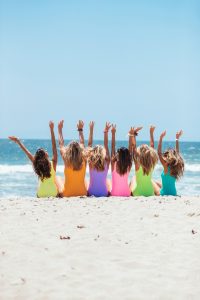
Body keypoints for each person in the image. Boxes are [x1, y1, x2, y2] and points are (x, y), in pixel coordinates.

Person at [9, 121, 63, 197]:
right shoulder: (53, 163)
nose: (47, 151)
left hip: (41, 194)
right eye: (45, 151)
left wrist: (18, 141)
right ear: (46, 155)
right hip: (53, 194)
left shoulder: (36, 164)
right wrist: (51, 130)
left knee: (40, 184)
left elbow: (27, 153)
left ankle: (42, 192)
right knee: (57, 180)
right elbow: (54, 146)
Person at [58, 120, 87, 197]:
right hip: (83, 193)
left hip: (67, 194)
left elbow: (61, 144)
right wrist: (80, 130)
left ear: (69, 150)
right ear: (80, 150)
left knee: (58, 178)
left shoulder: (66, 159)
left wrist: (60, 130)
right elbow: (82, 143)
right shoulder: (83, 158)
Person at [130, 126, 160, 196]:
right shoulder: (152, 163)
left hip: (138, 193)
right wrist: (151, 133)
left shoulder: (137, 164)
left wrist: (133, 134)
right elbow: (152, 145)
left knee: (133, 178)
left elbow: (133, 146)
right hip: (150, 192)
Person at [87, 122, 111, 197]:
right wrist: (106, 132)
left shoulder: (91, 162)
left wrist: (91, 129)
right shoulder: (107, 161)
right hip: (104, 193)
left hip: (91, 192)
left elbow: (89, 145)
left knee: (87, 181)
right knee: (108, 181)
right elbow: (106, 145)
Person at [158, 130, 184, 196]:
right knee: (157, 183)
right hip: (174, 193)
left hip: (164, 194)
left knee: (154, 183)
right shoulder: (176, 166)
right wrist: (177, 139)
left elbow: (158, 152)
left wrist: (161, 138)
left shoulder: (165, 166)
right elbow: (177, 153)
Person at [110, 124, 133, 196]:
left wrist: (113, 133)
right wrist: (130, 135)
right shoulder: (129, 165)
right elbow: (131, 148)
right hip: (126, 193)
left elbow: (112, 146)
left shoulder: (113, 163)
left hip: (114, 193)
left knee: (109, 182)